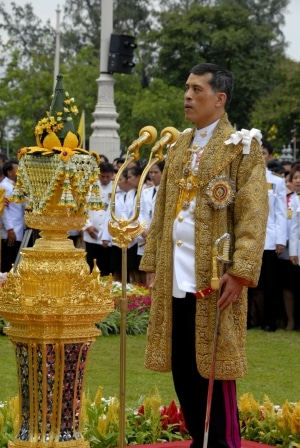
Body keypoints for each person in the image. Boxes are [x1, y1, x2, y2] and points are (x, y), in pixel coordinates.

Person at [140, 63, 268, 448]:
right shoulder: (179, 145)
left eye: (197, 89)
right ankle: (200, 438)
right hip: (175, 276)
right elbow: (163, 209)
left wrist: (242, 270)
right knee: (183, 366)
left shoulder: (242, 147)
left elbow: (253, 213)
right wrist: (151, 262)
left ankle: (223, 443)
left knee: (214, 370)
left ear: (220, 98)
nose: (188, 96)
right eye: (186, 88)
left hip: (215, 278)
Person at [249, 139, 287, 331]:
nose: (260, 156)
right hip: (247, 238)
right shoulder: (244, 179)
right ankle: (248, 320)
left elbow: (280, 213)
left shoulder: (277, 182)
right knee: (246, 281)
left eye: (263, 152)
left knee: (269, 283)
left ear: (269, 157)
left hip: (269, 239)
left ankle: (269, 321)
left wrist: (281, 240)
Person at [1, 159, 26, 273]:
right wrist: (10, 229)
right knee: (8, 262)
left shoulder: (15, 185)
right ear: (9, 172)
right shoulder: (4, 187)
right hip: (10, 231)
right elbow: (3, 210)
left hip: (18, 228)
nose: (20, 172)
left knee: (15, 260)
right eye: (17, 170)